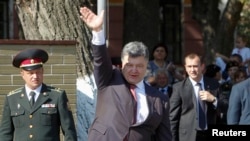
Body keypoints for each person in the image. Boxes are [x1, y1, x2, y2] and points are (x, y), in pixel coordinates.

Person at [80, 6, 172, 141]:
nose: (134, 70)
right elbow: (100, 60)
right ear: (122, 64)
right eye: (129, 65)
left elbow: (164, 137)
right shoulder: (109, 79)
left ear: (147, 66)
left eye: (139, 66)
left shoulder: (159, 100)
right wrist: (98, 31)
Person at [0, 48, 77, 141]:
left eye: (38, 72)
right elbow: (5, 133)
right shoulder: (12, 98)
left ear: (43, 71)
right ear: (22, 74)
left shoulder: (56, 96)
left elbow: (69, 131)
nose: (35, 76)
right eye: (30, 73)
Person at [169, 53, 220, 141]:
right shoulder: (178, 88)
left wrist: (213, 100)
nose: (192, 70)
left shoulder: (214, 84)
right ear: (185, 67)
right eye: (189, 66)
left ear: (202, 66)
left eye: (195, 66)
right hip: (187, 136)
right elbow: (173, 118)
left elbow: (226, 106)